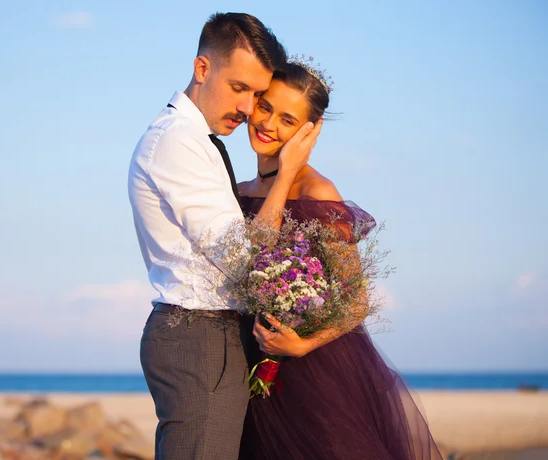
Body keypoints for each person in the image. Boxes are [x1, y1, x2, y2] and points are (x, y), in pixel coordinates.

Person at [127, 13, 322, 460]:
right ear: (202, 69)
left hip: (210, 335)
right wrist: (288, 171)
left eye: (257, 94)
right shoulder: (179, 141)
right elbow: (244, 257)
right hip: (199, 335)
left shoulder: (198, 139)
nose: (250, 109)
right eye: (240, 89)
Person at [237, 58, 444, 459]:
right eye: (265, 107)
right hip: (250, 364)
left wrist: (301, 345)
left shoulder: (319, 192)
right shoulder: (238, 188)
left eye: (288, 120)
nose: (269, 125)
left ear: (309, 132)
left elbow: (356, 300)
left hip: (312, 369)